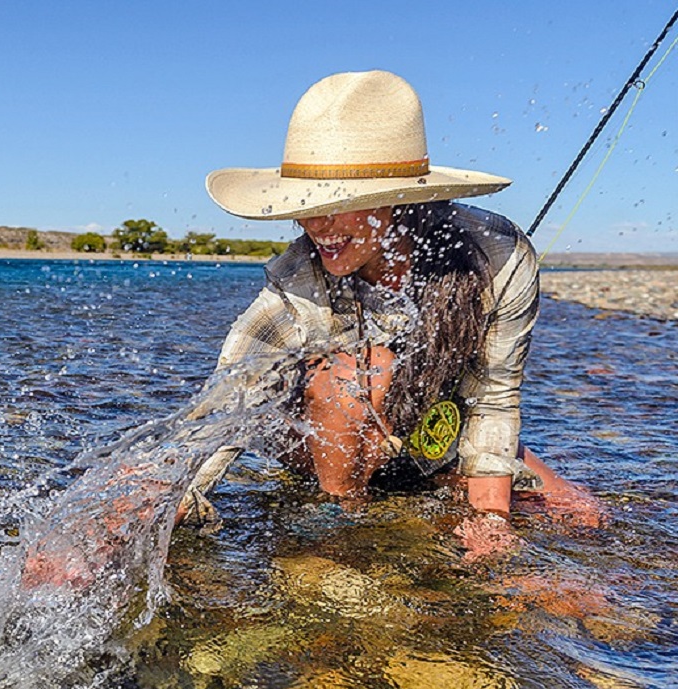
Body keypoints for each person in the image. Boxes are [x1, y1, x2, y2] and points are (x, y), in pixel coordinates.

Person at [178, 70, 601, 556]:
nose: (315, 223)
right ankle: (338, 525)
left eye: (338, 204)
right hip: (321, 442)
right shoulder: (297, 279)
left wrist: (490, 523)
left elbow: (495, 395)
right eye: (306, 204)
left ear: (398, 203)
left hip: (427, 440)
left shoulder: (500, 257)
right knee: (360, 371)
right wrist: (166, 499)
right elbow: (228, 401)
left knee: (579, 514)